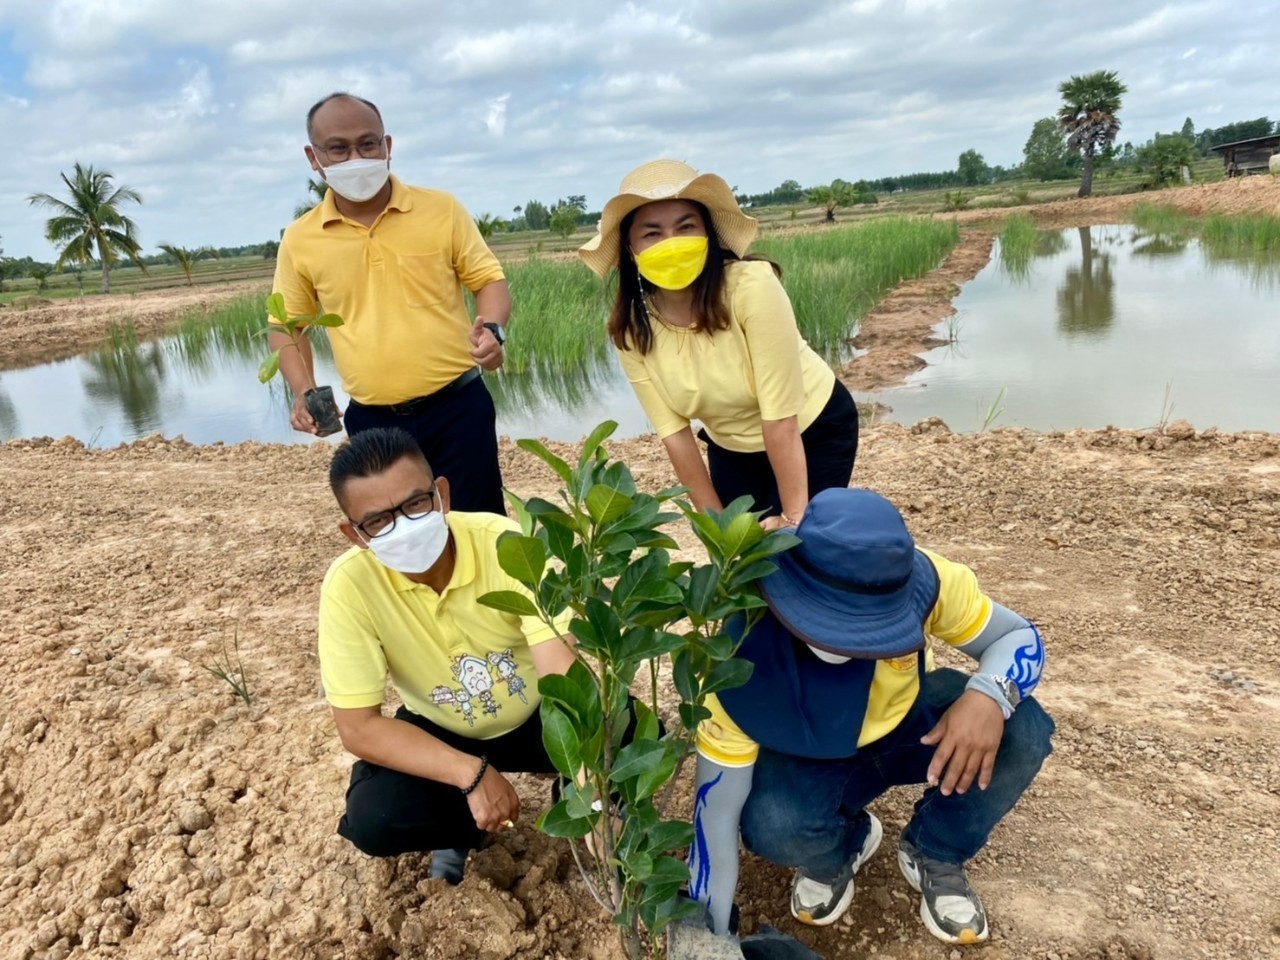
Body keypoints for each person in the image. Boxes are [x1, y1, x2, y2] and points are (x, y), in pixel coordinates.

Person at [686, 487, 1053, 945]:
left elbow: (1018, 636)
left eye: (874, 630)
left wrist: (988, 695)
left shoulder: (927, 579)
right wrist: (709, 934)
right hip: (802, 746)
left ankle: (935, 848)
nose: (852, 644)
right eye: (834, 627)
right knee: (774, 824)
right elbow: (714, 817)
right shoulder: (736, 658)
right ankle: (837, 851)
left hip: (909, 724)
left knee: (1021, 728)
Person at [318, 426, 575, 883]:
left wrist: (589, 777)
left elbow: (562, 674)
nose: (404, 526)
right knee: (375, 817)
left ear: (441, 495)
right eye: (379, 521)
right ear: (355, 534)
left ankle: (573, 801)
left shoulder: (508, 545)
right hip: (443, 727)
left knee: (624, 739)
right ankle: (462, 826)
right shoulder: (350, 585)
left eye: (416, 504)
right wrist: (470, 774)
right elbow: (357, 727)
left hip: (539, 713)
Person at [579, 160, 859, 530]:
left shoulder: (751, 288)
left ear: (707, 235)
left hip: (810, 427)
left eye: (686, 227)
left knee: (799, 548)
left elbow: (779, 417)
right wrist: (716, 533)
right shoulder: (632, 329)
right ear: (630, 249)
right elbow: (675, 436)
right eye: (652, 233)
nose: (672, 243)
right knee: (741, 557)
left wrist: (793, 521)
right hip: (731, 446)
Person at [272, 92, 510, 514]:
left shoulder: (441, 210)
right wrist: (302, 391)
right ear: (314, 157)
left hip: (458, 406)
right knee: (398, 533)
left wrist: (492, 329)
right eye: (338, 148)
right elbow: (286, 326)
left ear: (388, 147)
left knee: (479, 525)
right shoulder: (301, 238)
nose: (356, 157)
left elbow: (488, 280)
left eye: (368, 144)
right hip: (371, 422)